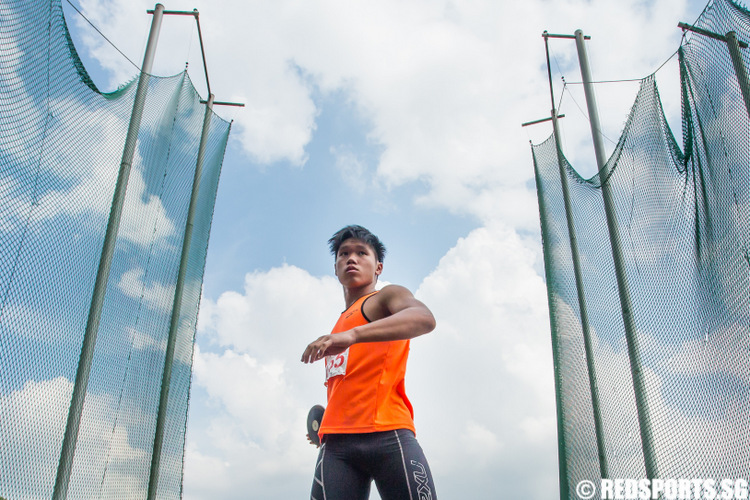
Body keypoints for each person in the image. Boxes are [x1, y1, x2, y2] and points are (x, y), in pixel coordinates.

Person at [301, 225, 438, 500]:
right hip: (337, 447)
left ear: (378, 267)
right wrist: (326, 422)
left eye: (362, 253)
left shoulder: (384, 299)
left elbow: (424, 319)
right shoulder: (339, 324)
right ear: (336, 267)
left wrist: (353, 335)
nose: (351, 258)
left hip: (388, 435)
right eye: (344, 253)